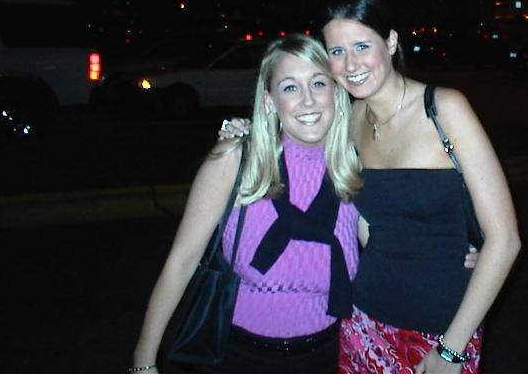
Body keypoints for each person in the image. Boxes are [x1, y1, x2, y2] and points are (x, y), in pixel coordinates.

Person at [222, 0, 521, 373]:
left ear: (391, 42)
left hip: (443, 329)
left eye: (362, 46)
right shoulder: (347, 120)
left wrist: (452, 349)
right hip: (362, 321)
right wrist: (242, 131)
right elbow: (293, 137)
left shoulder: (444, 109)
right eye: (337, 51)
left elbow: (505, 241)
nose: (351, 64)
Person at [131, 33, 362, 374]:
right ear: (269, 101)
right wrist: (144, 361)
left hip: (327, 356)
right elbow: (181, 262)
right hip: (239, 357)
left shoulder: (354, 170)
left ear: (336, 92)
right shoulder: (236, 160)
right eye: (290, 87)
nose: (308, 100)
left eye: (318, 83)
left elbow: (391, 250)